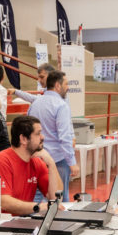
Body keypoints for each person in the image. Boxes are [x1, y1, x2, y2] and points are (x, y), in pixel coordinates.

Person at [0, 116, 64, 215]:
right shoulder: (1, 161)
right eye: (38, 134)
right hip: (1, 224)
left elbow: (56, 198)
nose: (42, 137)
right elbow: (4, 202)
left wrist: (51, 164)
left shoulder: (37, 162)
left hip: (22, 220)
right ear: (23, 139)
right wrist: (39, 207)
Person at [27, 70, 78, 202]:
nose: (68, 87)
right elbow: (64, 137)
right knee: (60, 199)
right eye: (66, 84)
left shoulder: (35, 104)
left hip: (37, 158)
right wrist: (72, 162)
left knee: (38, 198)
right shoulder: (61, 106)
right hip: (57, 160)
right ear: (57, 85)